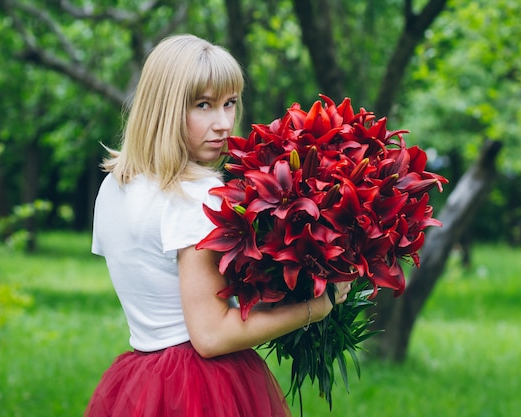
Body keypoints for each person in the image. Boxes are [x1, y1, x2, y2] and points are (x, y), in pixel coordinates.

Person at [84, 34, 351, 417]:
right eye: (203, 105)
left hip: (141, 379)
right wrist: (316, 306)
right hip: (203, 385)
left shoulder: (114, 186)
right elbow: (210, 335)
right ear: (165, 108)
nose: (224, 123)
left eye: (229, 104)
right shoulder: (199, 195)